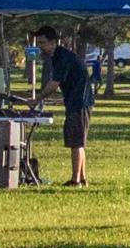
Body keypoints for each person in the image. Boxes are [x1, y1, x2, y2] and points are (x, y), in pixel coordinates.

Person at [28, 25, 94, 187]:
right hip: (77, 102)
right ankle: (82, 178)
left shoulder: (62, 57)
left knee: (75, 143)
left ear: (52, 42)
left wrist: (37, 99)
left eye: (43, 43)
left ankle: (75, 180)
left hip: (79, 103)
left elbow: (54, 84)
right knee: (78, 142)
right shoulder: (59, 56)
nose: (40, 46)